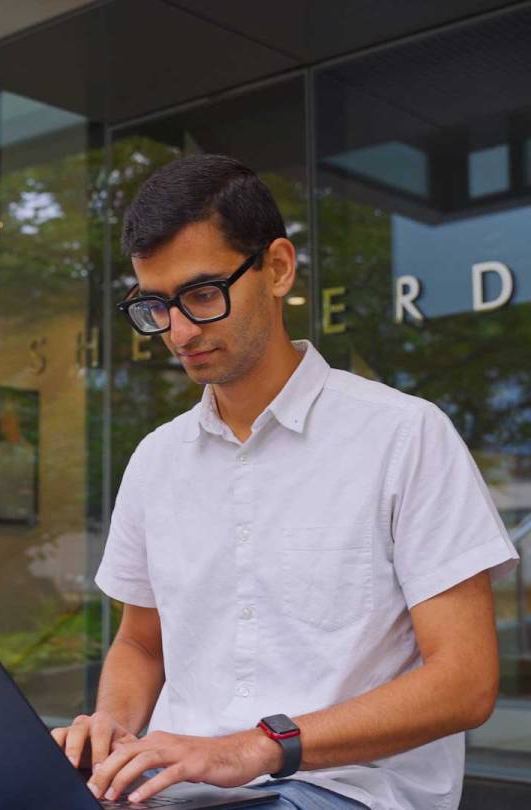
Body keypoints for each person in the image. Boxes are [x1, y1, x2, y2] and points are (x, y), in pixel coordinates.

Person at [50, 154, 519, 809]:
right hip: (171, 790)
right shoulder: (157, 461)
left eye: (202, 295)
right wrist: (112, 732)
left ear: (276, 268)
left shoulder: (404, 435)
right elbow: (138, 643)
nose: (179, 331)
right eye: (156, 305)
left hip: (339, 790)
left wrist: (257, 745)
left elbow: (465, 681)